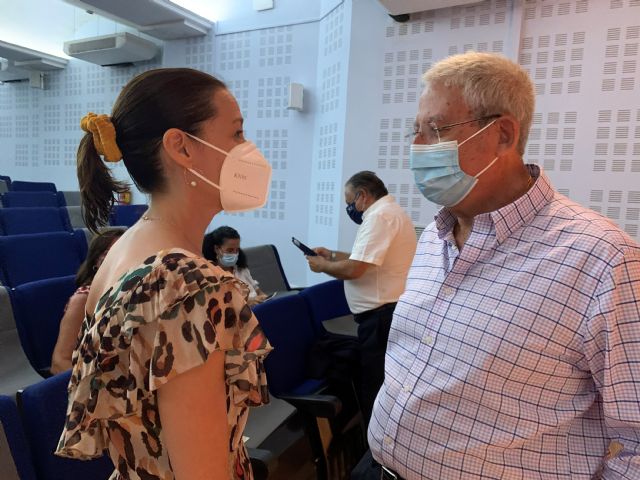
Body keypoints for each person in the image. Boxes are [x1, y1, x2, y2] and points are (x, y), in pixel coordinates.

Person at [364, 51, 640, 480]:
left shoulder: (603, 259)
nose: (417, 149)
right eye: (414, 132)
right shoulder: (434, 236)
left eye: (434, 130)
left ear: (504, 135)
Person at [55, 68, 273, 480]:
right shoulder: (186, 284)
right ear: (181, 147)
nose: (249, 149)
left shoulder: (126, 250)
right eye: (237, 134)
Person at [306, 171, 416, 427]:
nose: (348, 208)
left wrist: (322, 266)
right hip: (386, 313)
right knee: (377, 383)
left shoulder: (380, 217)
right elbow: (363, 258)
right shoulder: (389, 213)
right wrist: (332, 255)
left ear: (362, 195)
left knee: (375, 388)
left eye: (349, 201)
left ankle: (374, 454)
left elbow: (354, 269)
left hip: (380, 317)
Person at [50, 228, 124, 375]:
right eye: (113, 254)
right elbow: (59, 362)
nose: (122, 260)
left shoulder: (131, 293)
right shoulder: (83, 298)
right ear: (96, 261)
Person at [202, 226, 269, 306]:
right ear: (217, 249)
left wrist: (264, 298)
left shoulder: (241, 269)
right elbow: (220, 306)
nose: (234, 254)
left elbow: (259, 292)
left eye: (237, 250)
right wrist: (247, 303)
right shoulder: (209, 275)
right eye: (230, 250)